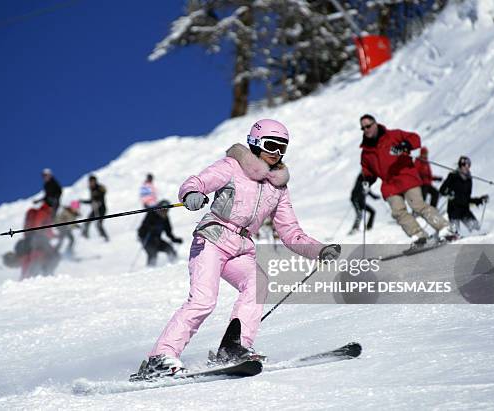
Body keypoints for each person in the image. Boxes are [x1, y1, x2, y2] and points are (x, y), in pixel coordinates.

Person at [135, 119, 340, 378]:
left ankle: (235, 348)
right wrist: (191, 194)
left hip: (241, 246)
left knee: (258, 283)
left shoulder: (278, 187)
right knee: (203, 300)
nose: (276, 152)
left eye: (282, 148)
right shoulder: (232, 166)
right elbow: (197, 182)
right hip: (212, 238)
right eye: (270, 145)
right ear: (255, 143)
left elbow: (290, 232)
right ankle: (160, 358)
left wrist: (319, 250)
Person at [359, 114, 454, 246]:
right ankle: (419, 236)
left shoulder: (393, 135)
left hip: (406, 176)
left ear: (375, 124)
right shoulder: (366, 152)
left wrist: (404, 145)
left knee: (418, 206)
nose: (366, 130)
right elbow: (368, 170)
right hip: (389, 184)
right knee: (398, 212)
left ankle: (445, 228)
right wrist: (367, 180)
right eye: (363, 128)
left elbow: (415, 138)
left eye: (368, 126)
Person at [439, 156, 489, 235]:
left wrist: (479, 200)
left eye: (468, 165)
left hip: (465, 210)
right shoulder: (453, 176)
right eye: (464, 165)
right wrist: (449, 192)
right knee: (454, 233)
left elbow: (467, 199)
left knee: (476, 229)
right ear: (460, 165)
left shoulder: (469, 180)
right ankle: (444, 236)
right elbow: (442, 190)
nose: (466, 167)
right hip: (453, 209)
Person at [19, 202, 60, 279]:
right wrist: (39, 233)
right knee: (52, 255)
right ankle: (45, 274)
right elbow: (38, 224)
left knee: (36, 256)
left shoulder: (44, 212)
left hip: (33, 237)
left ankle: (27, 276)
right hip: (39, 238)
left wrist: (55, 236)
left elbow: (47, 229)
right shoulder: (44, 212)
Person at [137, 199, 182, 266]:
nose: (164, 212)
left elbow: (168, 232)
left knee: (169, 248)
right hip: (147, 239)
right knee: (152, 252)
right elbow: (143, 228)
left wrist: (174, 239)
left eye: (166, 210)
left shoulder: (165, 219)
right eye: (163, 210)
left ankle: (175, 263)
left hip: (156, 239)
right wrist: (150, 228)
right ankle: (150, 268)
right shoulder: (151, 213)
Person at [81, 175, 109, 241]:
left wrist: (98, 201)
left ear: (95, 181)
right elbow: (92, 201)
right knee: (87, 222)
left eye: (92, 181)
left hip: (102, 209)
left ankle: (105, 238)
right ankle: (85, 237)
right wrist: (83, 201)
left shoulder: (99, 188)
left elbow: (102, 194)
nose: (91, 183)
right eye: (90, 182)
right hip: (95, 209)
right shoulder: (91, 189)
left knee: (99, 224)